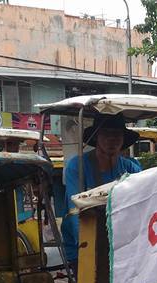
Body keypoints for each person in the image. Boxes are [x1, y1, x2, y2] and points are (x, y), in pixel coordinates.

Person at [61, 114, 142, 272]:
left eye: (117, 135)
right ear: (97, 137)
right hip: (84, 246)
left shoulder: (132, 168)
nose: (112, 139)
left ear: (123, 138)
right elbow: (74, 212)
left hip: (122, 246)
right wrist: (87, 246)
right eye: (106, 134)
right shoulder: (78, 166)